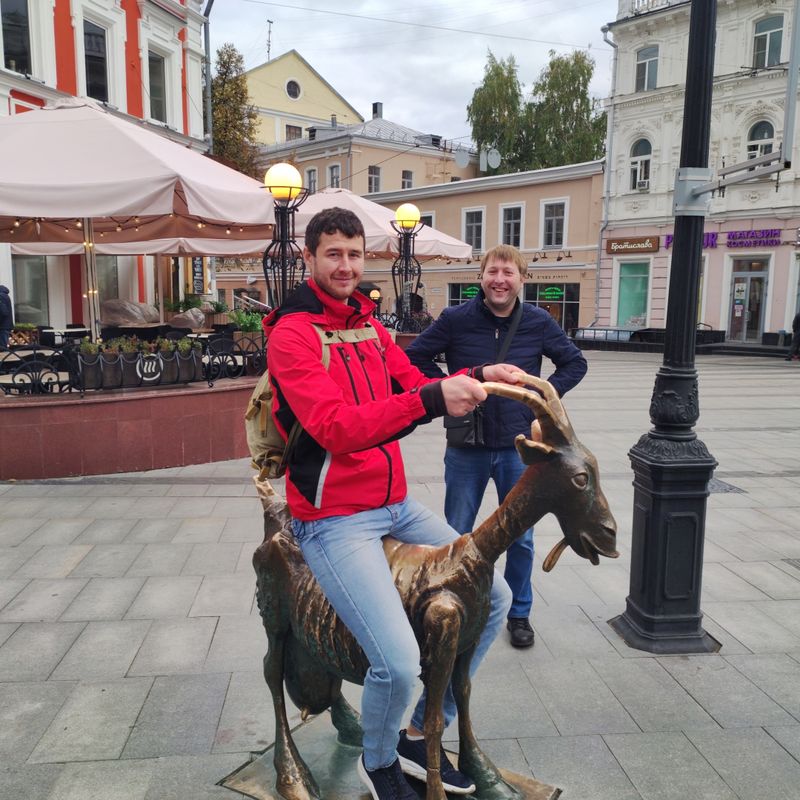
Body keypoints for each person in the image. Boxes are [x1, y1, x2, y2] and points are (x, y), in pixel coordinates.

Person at [264, 208, 518, 800]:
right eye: (334, 254)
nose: (347, 265)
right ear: (309, 259)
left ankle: (420, 729)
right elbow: (334, 427)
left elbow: (408, 377)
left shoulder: (370, 327)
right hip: (333, 520)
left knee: (496, 598)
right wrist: (433, 399)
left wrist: (480, 372)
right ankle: (376, 761)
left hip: (394, 504)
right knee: (397, 663)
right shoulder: (293, 333)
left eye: (354, 254)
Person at [406, 244, 587, 649]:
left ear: (522, 279)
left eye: (508, 272)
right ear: (481, 277)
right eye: (492, 272)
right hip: (466, 446)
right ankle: (452, 605)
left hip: (519, 448)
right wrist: (450, 386)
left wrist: (541, 399)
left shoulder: (538, 321)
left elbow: (575, 363)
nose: (499, 280)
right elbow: (413, 357)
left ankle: (519, 613)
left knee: (520, 536)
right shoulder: (456, 319)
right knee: (457, 534)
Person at [0, 285, 13, 350]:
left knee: (2, 348)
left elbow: (3, 312)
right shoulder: (4, 295)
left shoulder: (1, 296)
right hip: (5, 326)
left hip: (2, 327)